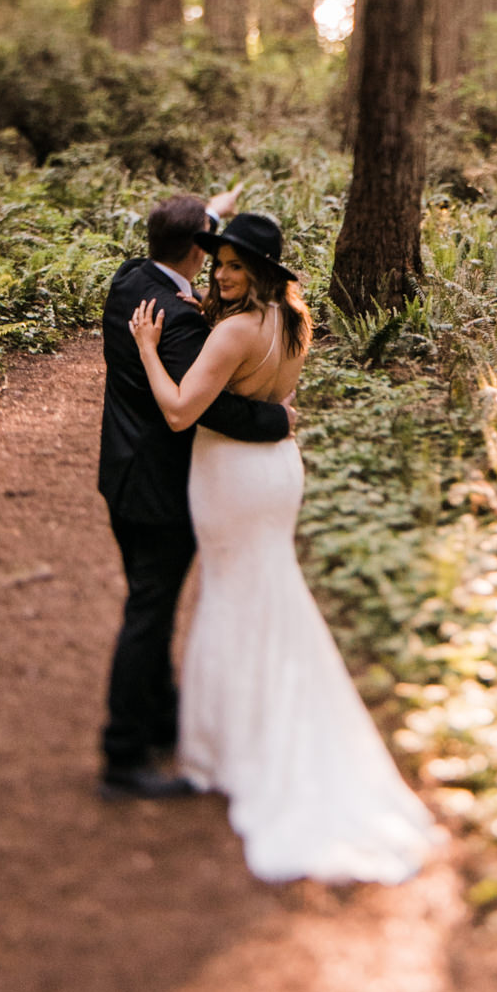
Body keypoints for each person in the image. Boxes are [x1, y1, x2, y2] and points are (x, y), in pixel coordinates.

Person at [128, 208, 438, 884]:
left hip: (230, 476)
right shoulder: (292, 323)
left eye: (237, 266)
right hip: (277, 470)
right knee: (269, 592)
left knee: (232, 596)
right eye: (220, 265)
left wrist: (151, 348)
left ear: (261, 272)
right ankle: (265, 727)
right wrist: (209, 312)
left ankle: (227, 750)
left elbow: (181, 410)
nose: (223, 274)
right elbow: (256, 383)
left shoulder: (235, 330)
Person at [96, 184, 248, 799]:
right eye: (208, 248)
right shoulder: (177, 319)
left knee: (147, 599)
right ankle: (123, 756)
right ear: (194, 252)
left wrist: (218, 207)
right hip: (160, 488)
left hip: (122, 473)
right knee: (150, 614)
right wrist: (279, 419)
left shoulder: (130, 280)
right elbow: (207, 410)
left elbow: (192, 226)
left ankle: (160, 721)